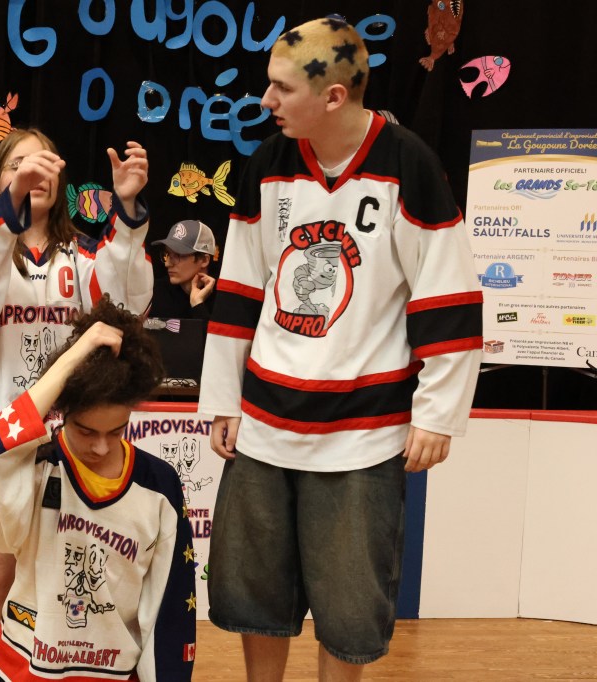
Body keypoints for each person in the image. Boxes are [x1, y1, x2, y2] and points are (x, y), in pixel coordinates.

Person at [198, 17, 483, 681]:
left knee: (351, 609)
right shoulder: (268, 164)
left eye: (281, 87)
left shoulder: (408, 164)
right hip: (264, 423)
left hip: (363, 433)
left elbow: (449, 294)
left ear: (333, 96)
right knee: (253, 594)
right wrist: (224, 398)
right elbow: (239, 289)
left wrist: (437, 413)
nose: (265, 99)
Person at [0, 127, 153, 679]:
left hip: (69, 446)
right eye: (18, 165)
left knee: (57, 584)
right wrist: (9, 211)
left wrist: (126, 210)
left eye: (44, 164)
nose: (33, 173)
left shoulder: (85, 255)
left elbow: (128, 310)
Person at [0, 296, 195, 681]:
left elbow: (169, 612)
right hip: (23, 671)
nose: (101, 447)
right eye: (87, 432)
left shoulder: (159, 485)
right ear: (62, 412)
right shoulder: (36, 465)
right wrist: (73, 357)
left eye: (116, 431)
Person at [149, 219, 217, 320]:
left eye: (178, 255)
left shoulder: (223, 299)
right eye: (167, 254)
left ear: (204, 260)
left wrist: (197, 305)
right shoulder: (154, 292)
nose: (167, 264)